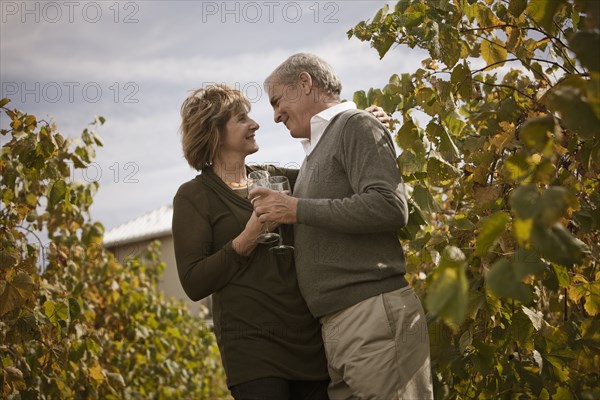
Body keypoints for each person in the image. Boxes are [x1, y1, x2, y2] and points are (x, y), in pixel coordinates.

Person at [172, 83, 391, 400]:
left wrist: (363, 126)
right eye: (241, 119)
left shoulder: (278, 178)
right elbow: (194, 282)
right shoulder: (194, 197)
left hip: (308, 342)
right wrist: (247, 238)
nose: (255, 124)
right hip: (253, 351)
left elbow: (330, 168)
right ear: (215, 133)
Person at [251, 53, 434, 399]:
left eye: (276, 102)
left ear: (305, 83)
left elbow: (390, 206)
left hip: (371, 313)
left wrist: (297, 209)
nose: (274, 115)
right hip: (337, 327)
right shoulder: (313, 156)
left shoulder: (355, 126)